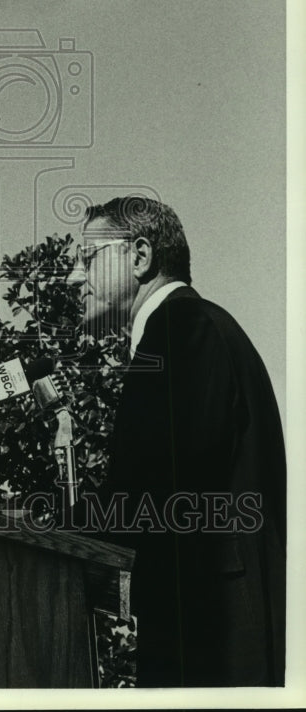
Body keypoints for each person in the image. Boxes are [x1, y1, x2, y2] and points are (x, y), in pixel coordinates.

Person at [68, 196, 285, 688]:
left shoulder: (184, 329)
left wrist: (44, 527)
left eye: (88, 258)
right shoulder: (188, 328)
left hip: (214, 637)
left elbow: (154, 488)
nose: (75, 278)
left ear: (140, 256)